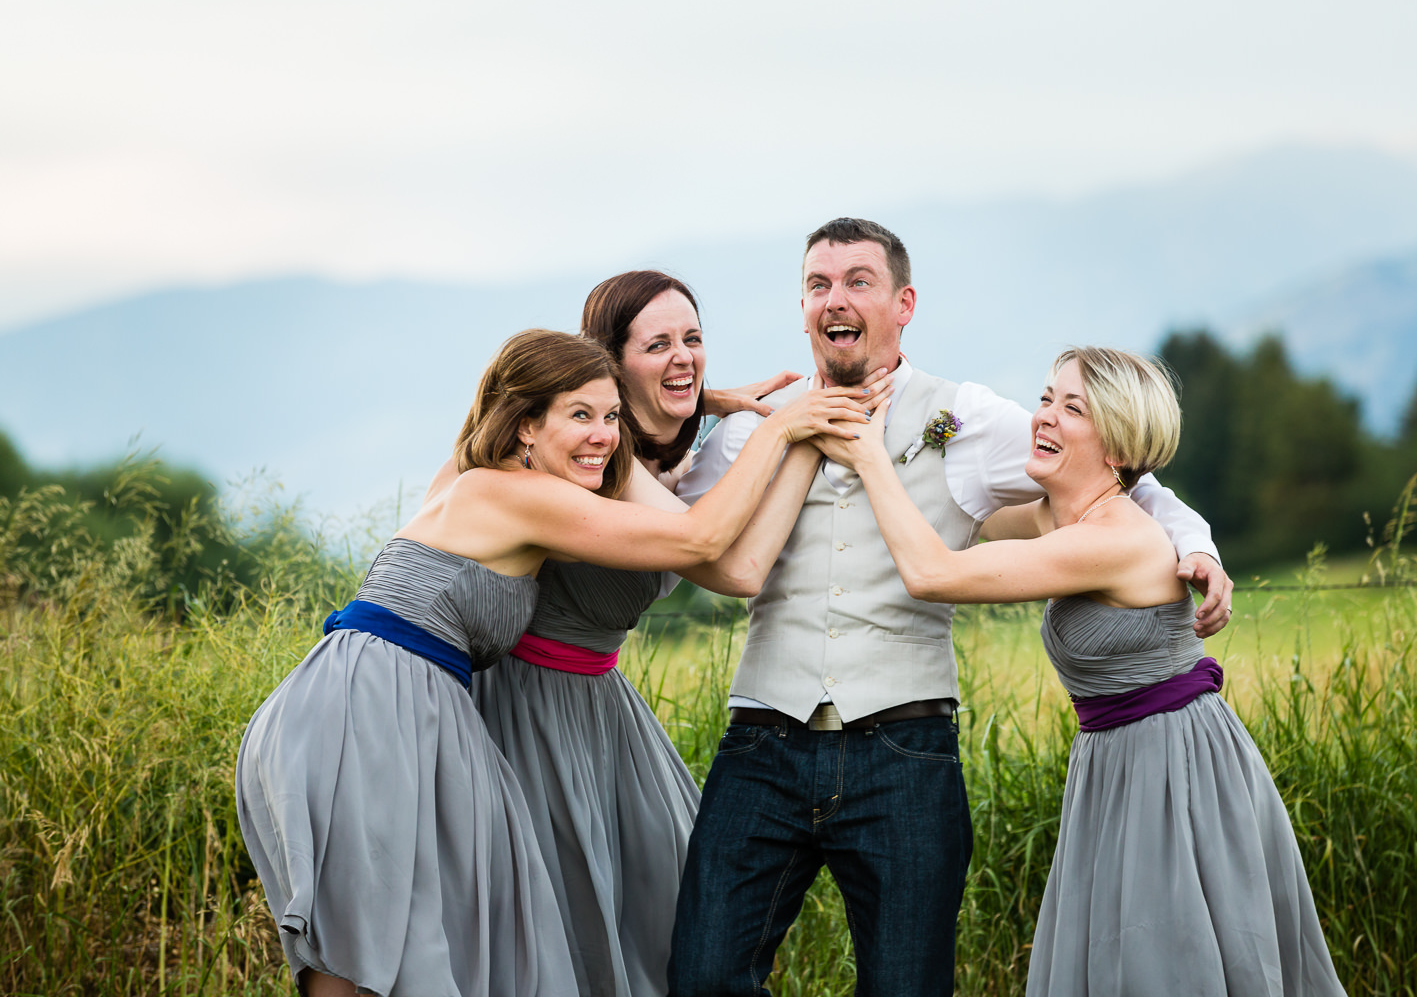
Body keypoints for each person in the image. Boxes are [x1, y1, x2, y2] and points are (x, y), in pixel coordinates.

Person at [667, 218, 1234, 996]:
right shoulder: (747, 433)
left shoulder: (963, 419)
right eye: (818, 284)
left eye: (858, 281)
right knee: (701, 978)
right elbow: (669, 522)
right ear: (801, 307)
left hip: (905, 751)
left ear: (903, 303)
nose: (836, 298)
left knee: (909, 986)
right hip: (761, 741)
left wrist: (1194, 542)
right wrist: (703, 409)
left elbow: (1115, 467)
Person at [236, 329, 874, 997]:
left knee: (402, 940)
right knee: (368, 950)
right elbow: (699, 537)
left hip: (389, 699)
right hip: (369, 709)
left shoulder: (471, 475)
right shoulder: (516, 495)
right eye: (580, 416)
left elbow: (569, 417)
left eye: (611, 417)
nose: (603, 435)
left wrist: (704, 401)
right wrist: (784, 430)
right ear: (524, 428)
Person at [821, 346, 1346, 995]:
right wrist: (919, 424)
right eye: (1046, 398)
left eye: (1072, 408)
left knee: (1165, 961)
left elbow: (934, 574)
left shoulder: (1114, 539)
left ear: (1118, 447)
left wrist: (868, 454)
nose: (1043, 416)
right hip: (1116, 766)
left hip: (1171, 770)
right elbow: (961, 510)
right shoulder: (1063, 517)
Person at [456, 275, 877, 996]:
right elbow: (736, 566)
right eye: (657, 344)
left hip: (602, 706)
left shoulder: (649, 449)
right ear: (607, 364)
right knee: (560, 924)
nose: (684, 357)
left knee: (673, 906)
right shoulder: (590, 463)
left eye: (693, 339)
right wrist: (795, 432)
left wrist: (718, 408)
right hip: (527, 709)